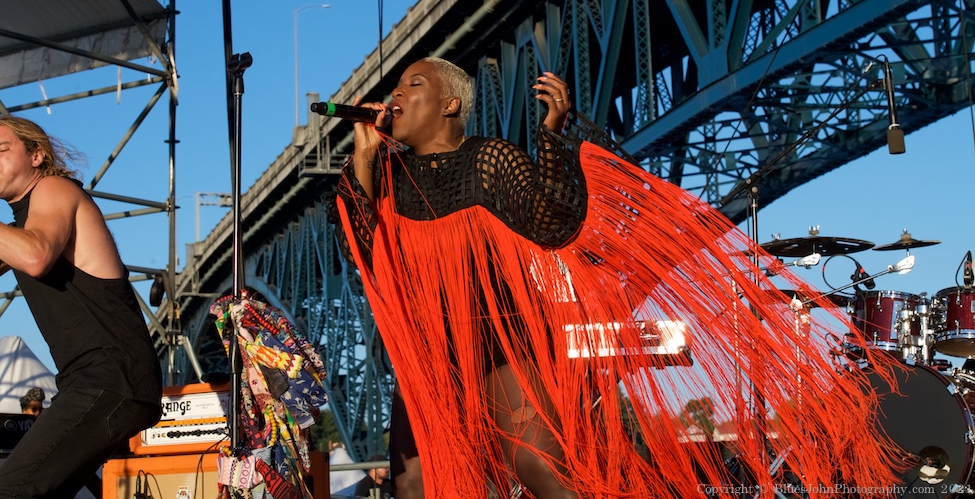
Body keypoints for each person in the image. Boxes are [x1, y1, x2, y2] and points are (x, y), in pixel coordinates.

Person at [333, 57, 906, 498]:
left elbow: (552, 223)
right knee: (411, 486)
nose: (395, 96)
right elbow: (364, 253)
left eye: (413, 84)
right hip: (430, 354)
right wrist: (360, 164)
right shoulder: (385, 177)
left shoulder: (488, 159)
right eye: (398, 88)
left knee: (543, 471)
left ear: (451, 104)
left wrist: (554, 137)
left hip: (500, 337)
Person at [0, 116, 162, 497]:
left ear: (36, 155)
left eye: (1, 151)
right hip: (96, 383)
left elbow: (36, 255)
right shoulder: (23, 224)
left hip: (110, 378)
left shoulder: (54, 190)